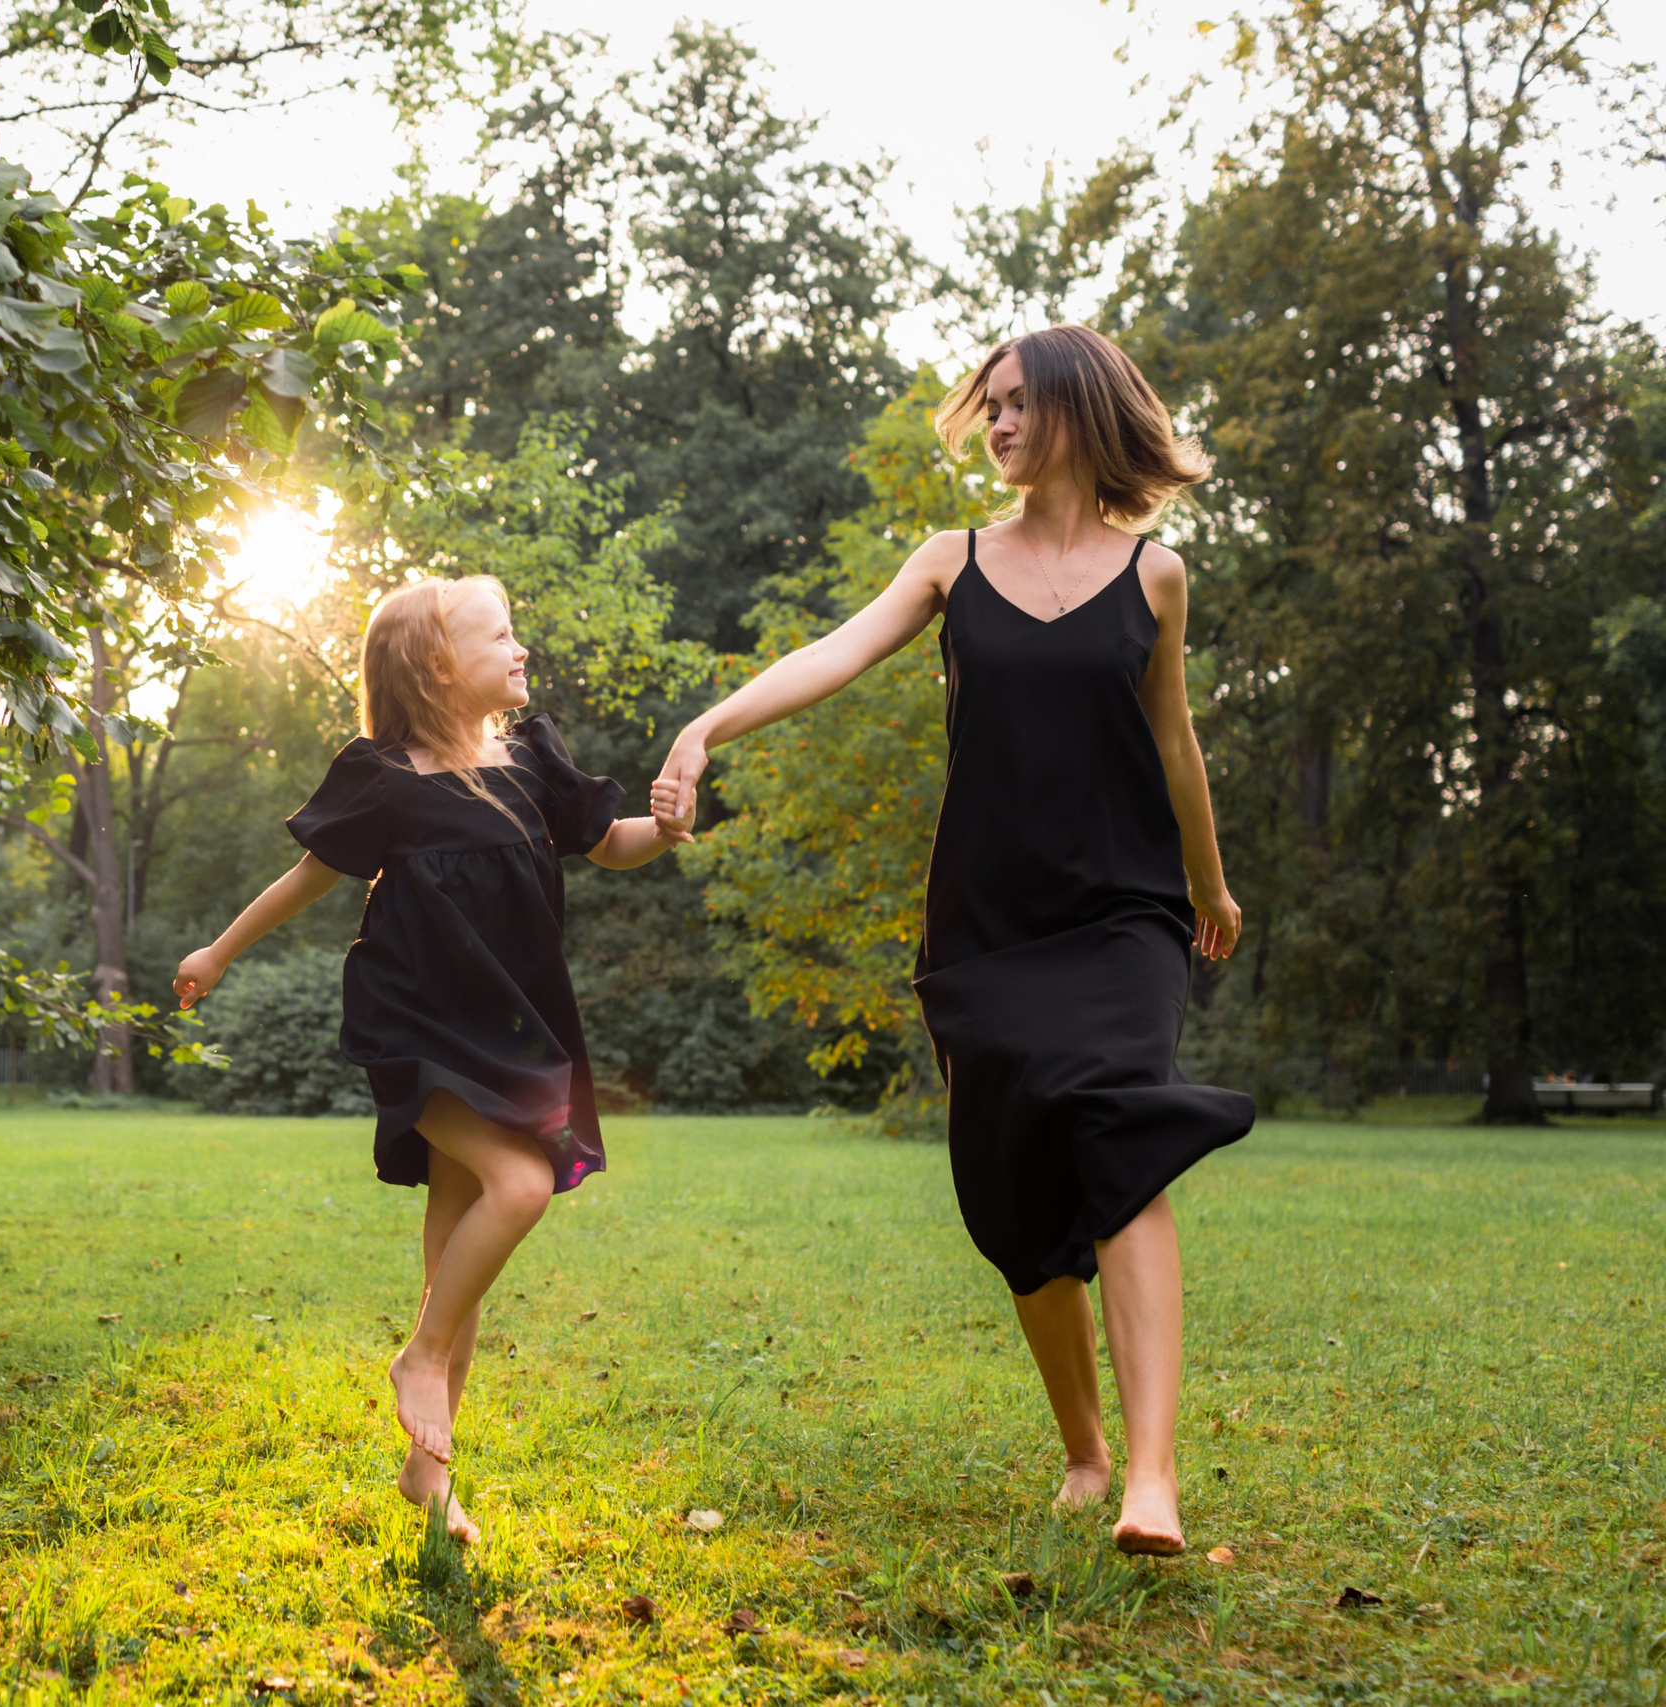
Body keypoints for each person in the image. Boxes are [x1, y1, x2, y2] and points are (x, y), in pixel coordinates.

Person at [650, 325, 1254, 1557]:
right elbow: (837, 652)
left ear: (1082, 413)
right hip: (986, 919)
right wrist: (707, 727)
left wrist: (1209, 883)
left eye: (1023, 404)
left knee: (1125, 1128)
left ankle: (1151, 1480)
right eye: (991, 406)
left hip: (1122, 912)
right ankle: (1083, 1452)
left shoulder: (1156, 575)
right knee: (1012, 1183)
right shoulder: (951, 562)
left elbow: (1173, 740)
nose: (999, 424)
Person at [174, 575, 686, 1544]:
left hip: (513, 1022)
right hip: (415, 1020)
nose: (522, 647)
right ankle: (421, 1359)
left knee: (457, 1251)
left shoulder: (533, 760)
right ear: (440, 666)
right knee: (520, 1188)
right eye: (502, 636)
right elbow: (308, 876)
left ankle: (428, 1474)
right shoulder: (384, 779)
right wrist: (218, 951)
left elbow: (608, 845)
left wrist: (664, 825)